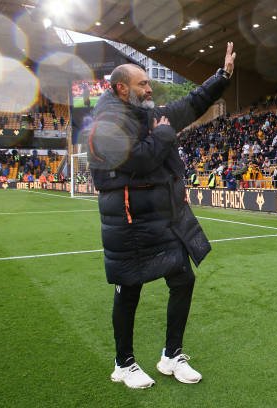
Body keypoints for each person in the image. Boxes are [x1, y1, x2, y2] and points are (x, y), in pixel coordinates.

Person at [87, 43, 236, 389]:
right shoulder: (107, 124)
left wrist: (222, 76)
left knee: (183, 280)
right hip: (128, 223)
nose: (149, 88)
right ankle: (123, 363)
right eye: (142, 84)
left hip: (163, 218)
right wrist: (166, 135)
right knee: (129, 290)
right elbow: (139, 160)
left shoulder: (151, 117)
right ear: (121, 89)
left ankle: (172, 355)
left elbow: (193, 104)